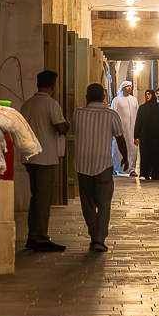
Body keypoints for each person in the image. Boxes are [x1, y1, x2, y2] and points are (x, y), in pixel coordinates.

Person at [19, 68, 69, 252]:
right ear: (53, 86)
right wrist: (67, 124)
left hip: (29, 157)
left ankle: (32, 235)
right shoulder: (51, 104)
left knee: (35, 198)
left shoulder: (27, 105)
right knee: (43, 200)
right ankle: (41, 237)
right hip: (46, 157)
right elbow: (60, 127)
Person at [72, 83, 126, 251]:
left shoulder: (78, 114)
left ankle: (94, 234)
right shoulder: (111, 115)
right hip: (104, 164)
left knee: (87, 201)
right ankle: (99, 239)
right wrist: (125, 157)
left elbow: (72, 132)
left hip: (82, 164)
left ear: (86, 97)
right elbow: (120, 138)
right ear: (104, 97)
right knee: (104, 202)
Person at [133, 88, 159, 181]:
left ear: (152, 95)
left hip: (157, 136)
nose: (147, 96)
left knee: (158, 156)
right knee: (145, 156)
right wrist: (136, 136)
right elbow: (138, 122)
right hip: (145, 136)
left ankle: (157, 175)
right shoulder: (142, 108)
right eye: (146, 94)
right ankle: (144, 173)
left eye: (149, 94)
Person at [111, 76, 139, 175]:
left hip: (132, 130)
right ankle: (117, 168)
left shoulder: (134, 100)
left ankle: (131, 169)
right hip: (121, 129)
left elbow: (137, 113)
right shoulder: (117, 100)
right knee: (118, 148)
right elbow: (113, 113)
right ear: (122, 88)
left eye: (130, 86)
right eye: (127, 86)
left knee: (132, 148)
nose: (129, 88)